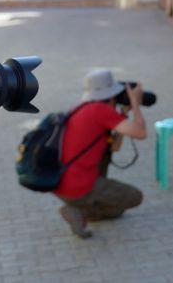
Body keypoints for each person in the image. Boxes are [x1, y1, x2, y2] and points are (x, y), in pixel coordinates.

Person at [52, 69, 147, 238]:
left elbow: (114, 147)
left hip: (60, 183)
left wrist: (124, 113)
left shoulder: (82, 108)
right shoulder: (100, 111)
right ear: (111, 95)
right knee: (134, 197)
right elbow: (141, 133)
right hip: (77, 186)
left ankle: (79, 207)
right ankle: (79, 210)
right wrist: (136, 103)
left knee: (117, 212)